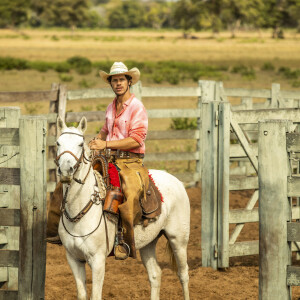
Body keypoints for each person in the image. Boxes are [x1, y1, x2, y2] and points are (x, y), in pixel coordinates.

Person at [46, 62, 149, 260]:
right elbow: (105, 129)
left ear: (129, 82)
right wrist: (98, 140)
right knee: (72, 182)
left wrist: (107, 144)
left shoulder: (137, 107)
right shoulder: (112, 106)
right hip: (108, 158)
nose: (118, 83)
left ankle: (123, 241)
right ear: (110, 83)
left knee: (127, 192)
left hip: (130, 161)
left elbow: (137, 139)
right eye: (114, 80)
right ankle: (55, 231)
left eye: (121, 80)